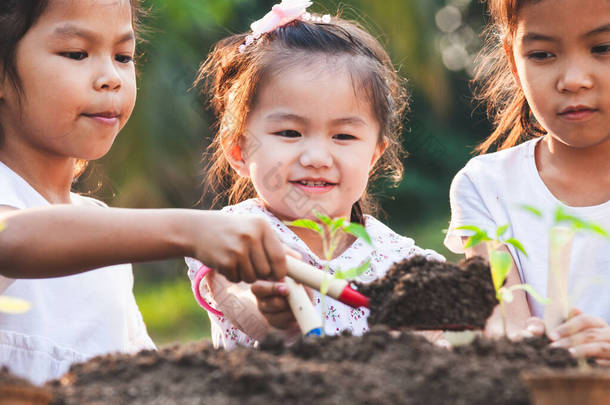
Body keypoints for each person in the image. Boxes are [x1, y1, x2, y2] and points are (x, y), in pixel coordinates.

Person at [0, 0, 290, 385]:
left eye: (123, 56)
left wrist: (271, 325)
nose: (111, 78)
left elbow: (146, 375)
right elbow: (13, 239)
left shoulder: (104, 233)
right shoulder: (30, 213)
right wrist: (189, 232)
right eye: (76, 53)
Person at [186, 1, 444, 350]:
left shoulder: (400, 261)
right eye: (290, 133)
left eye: (343, 136)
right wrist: (272, 308)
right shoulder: (236, 237)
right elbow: (241, 301)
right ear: (239, 150)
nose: (317, 158)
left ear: (373, 154)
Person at [445, 0, 610, 363]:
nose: (573, 80)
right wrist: (524, 343)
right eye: (542, 54)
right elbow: (505, 317)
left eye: (603, 48)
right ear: (513, 61)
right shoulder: (486, 186)